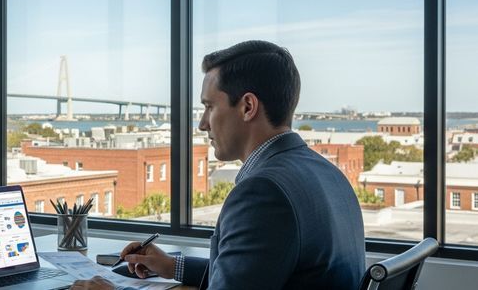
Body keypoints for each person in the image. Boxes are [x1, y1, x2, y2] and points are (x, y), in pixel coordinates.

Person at [70, 40, 365, 289]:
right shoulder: (328, 174)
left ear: (248, 107)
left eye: (209, 106)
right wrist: (173, 266)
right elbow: (254, 273)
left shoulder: (264, 192)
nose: (201, 123)